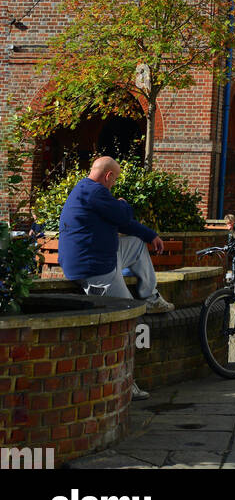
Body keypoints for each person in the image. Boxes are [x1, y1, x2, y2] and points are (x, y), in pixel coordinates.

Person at [58, 155, 174, 400]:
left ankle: (150, 295)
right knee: (129, 323)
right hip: (96, 270)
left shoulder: (85, 190)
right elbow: (123, 216)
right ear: (108, 176)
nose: (114, 186)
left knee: (135, 244)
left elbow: (125, 225)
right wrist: (122, 203)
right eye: (115, 181)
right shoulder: (96, 193)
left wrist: (150, 235)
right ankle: (124, 383)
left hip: (102, 257)